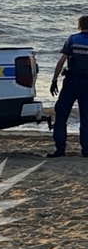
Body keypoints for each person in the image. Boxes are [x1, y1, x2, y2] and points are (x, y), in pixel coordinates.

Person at [48, 15, 88, 158]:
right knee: (86, 118)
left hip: (72, 82)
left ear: (79, 26)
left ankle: (60, 149)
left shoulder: (72, 39)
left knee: (61, 113)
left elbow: (61, 62)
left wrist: (54, 81)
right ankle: (86, 151)